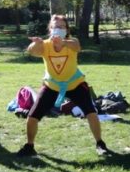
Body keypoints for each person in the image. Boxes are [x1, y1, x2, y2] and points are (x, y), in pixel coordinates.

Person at [17, 14, 110, 157]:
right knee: (32, 117)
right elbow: (31, 51)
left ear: (66, 29)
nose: (58, 29)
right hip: (51, 86)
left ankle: (100, 144)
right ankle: (29, 147)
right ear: (50, 29)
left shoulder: (72, 42)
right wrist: (36, 43)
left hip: (76, 85)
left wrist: (63, 42)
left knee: (91, 113)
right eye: (55, 27)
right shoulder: (45, 45)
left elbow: (77, 47)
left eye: (61, 27)